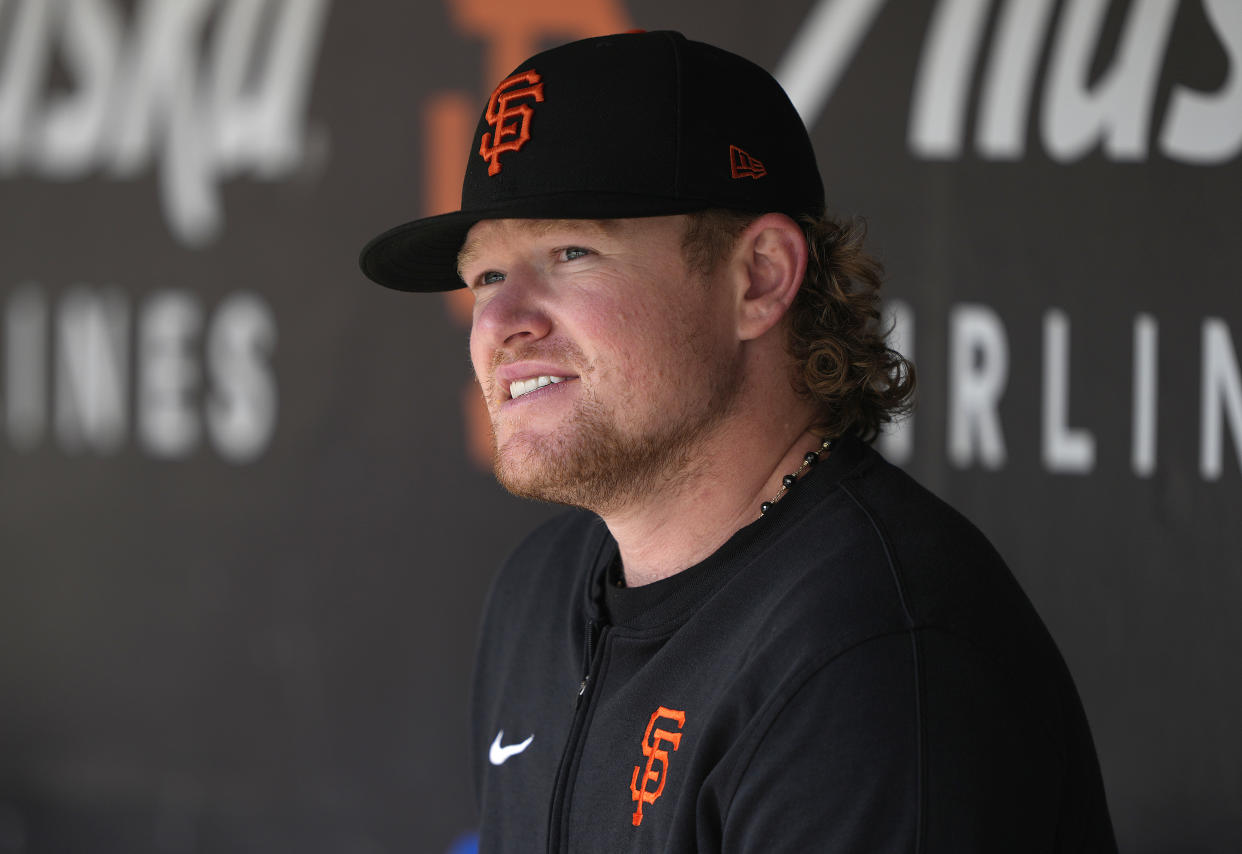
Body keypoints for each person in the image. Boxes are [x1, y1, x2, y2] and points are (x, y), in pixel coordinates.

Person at [360, 30, 1118, 853]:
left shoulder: (870, 655)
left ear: (757, 278)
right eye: (487, 278)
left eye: (571, 252)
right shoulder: (538, 592)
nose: (501, 325)